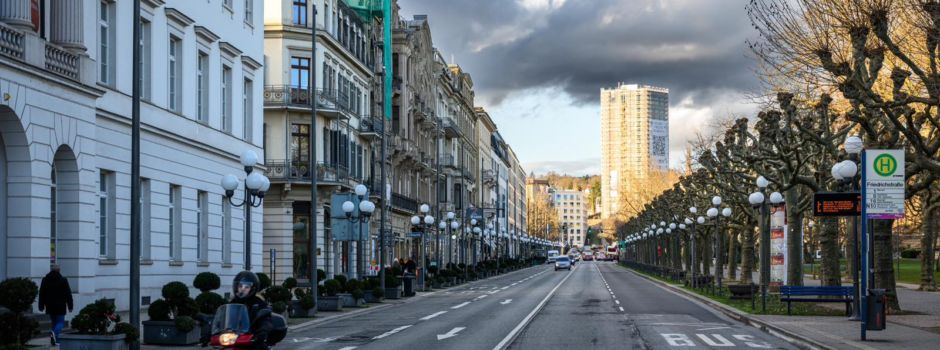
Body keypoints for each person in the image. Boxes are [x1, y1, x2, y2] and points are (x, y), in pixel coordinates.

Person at [230, 271, 273, 349]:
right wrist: (208, 332)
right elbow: (221, 318)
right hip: (233, 338)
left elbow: (266, 320)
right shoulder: (232, 303)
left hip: (253, 339)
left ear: (253, 288)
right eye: (240, 286)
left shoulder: (259, 303)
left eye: (246, 287)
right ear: (236, 287)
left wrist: (263, 331)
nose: (242, 289)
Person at [38, 264, 73, 346]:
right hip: (60, 306)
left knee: (54, 323)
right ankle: (54, 333)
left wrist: (41, 306)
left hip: (49, 305)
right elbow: (68, 294)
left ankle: (55, 340)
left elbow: (41, 293)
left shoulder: (45, 280)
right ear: (59, 270)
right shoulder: (63, 280)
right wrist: (70, 306)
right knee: (60, 322)